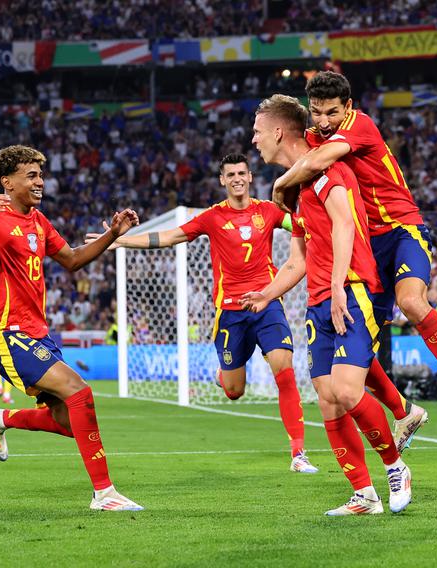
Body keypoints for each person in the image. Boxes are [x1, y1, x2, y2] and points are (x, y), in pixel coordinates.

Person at [0, 144, 143, 511]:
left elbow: (73, 260)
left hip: (38, 333)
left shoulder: (39, 222)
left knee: (69, 421)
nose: (40, 182)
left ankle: (0, 417)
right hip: (4, 332)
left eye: (41, 175)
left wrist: (113, 235)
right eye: (31, 175)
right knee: (80, 392)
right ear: (7, 182)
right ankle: (104, 494)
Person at [271, 71, 437, 423]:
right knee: (359, 338)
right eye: (317, 112)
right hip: (368, 246)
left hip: (403, 228)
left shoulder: (360, 125)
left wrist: (280, 184)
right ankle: (404, 413)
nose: (324, 121)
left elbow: (312, 162)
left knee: (410, 301)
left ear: (349, 107)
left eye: (332, 112)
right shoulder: (315, 135)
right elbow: (303, 154)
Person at [89, 153, 318, 474]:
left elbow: (304, 225)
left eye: (242, 173)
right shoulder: (213, 217)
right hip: (230, 313)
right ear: (223, 180)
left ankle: (298, 454)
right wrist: (120, 240)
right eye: (231, 174)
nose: (237, 178)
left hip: (267, 304)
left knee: (285, 371)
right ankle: (223, 377)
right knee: (234, 391)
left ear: (250, 177)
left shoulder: (267, 211)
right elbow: (171, 236)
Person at [244, 95, 411, 515]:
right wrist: (268, 293)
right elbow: (297, 260)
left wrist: (338, 286)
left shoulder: (325, 168)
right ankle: (363, 494)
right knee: (327, 399)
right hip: (319, 301)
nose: (254, 139)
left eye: (258, 131)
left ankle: (396, 466)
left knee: (347, 391)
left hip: (350, 290)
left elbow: (344, 224)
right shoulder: (300, 186)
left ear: (279, 132)